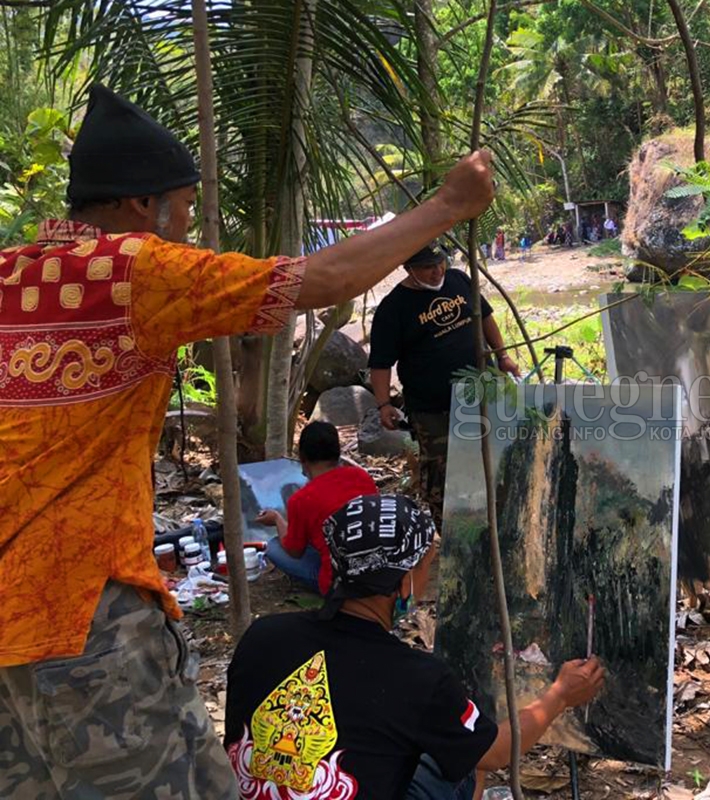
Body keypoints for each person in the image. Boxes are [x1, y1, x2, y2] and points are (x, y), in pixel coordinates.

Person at [0, 84, 493, 798]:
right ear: (143, 206)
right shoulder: (137, 267)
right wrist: (449, 205)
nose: (189, 226)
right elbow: (324, 278)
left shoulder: (9, 270)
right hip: (83, 617)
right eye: (186, 208)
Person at [224, 494, 605, 799]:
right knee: (468, 765)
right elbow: (497, 750)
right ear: (405, 579)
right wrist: (560, 694)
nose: (428, 576)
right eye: (427, 564)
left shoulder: (262, 635)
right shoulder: (416, 678)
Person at [368, 245, 520, 531]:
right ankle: (452, 534)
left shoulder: (458, 280)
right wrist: (383, 403)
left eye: (440, 262)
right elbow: (380, 363)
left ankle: (499, 525)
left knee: (495, 457)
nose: (437, 270)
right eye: (427, 267)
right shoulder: (393, 308)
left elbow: (485, 317)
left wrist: (503, 356)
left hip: (482, 391)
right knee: (442, 472)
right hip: (432, 407)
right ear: (409, 269)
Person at [257, 421, 378, 594]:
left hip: (339, 584)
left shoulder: (302, 499)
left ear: (302, 458)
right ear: (338, 453)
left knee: (274, 547)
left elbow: (294, 552)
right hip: (375, 570)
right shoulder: (361, 476)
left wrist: (277, 519)